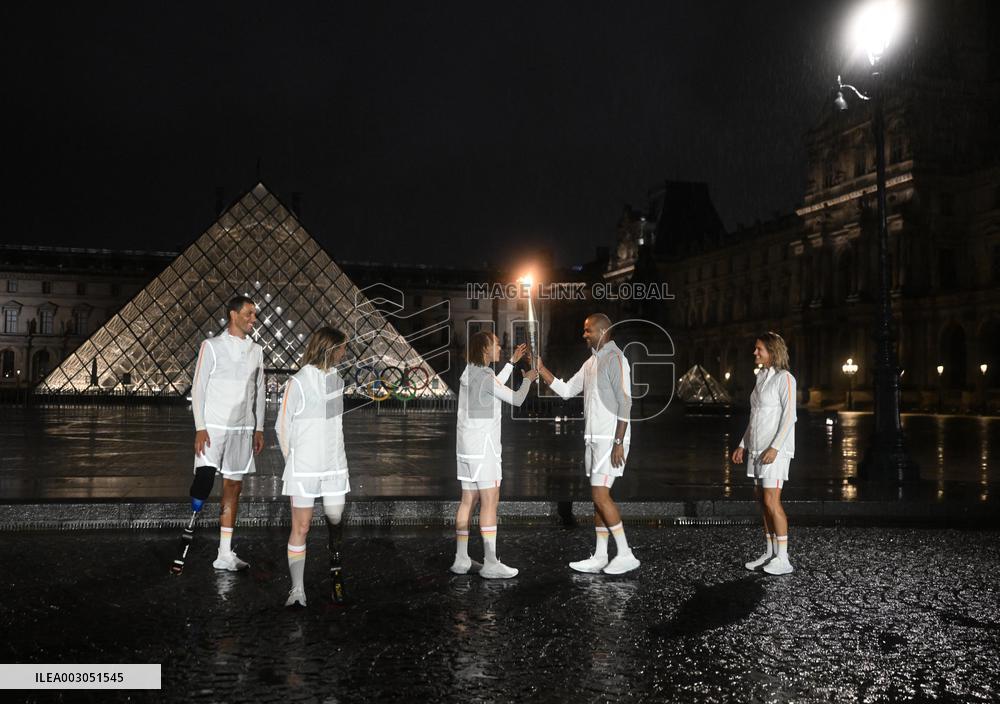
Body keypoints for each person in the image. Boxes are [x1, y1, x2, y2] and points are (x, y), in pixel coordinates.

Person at [537, 313, 639, 575]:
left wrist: (619, 442)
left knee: (600, 495)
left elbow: (625, 402)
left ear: (603, 331)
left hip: (609, 441)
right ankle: (601, 555)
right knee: (598, 499)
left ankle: (626, 554)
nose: (584, 335)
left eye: (588, 331)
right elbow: (568, 390)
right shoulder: (591, 362)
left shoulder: (616, 358)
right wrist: (542, 370)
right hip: (593, 439)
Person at [276, 327, 352, 607]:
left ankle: (335, 564)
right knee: (302, 525)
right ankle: (297, 590)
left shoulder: (337, 381)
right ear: (329, 348)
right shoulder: (297, 381)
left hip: (334, 466)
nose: (345, 353)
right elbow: (282, 427)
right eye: (342, 347)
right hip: (304, 467)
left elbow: (336, 426)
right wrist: (293, 462)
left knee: (334, 516)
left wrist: (340, 461)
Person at [451, 333, 537, 579]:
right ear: (486, 348)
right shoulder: (486, 376)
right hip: (484, 450)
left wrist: (510, 362)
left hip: (466, 449)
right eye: (497, 343)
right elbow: (517, 399)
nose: (500, 346)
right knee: (490, 502)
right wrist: (528, 379)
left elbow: (492, 387)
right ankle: (490, 562)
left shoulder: (470, 372)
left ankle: (461, 559)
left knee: (467, 501)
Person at [190, 295, 266, 572]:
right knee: (205, 481)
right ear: (233, 314)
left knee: (234, 487)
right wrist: (200, 427)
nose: (253, 319)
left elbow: (258, 391)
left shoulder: (257, 350)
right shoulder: (211, 346)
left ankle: (224, 553)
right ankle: (195, 527)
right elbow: (198, 388)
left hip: (243, 429)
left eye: (254, 314)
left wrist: (258, 427)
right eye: (249, 313)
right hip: (214, 428)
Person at [731, 332, 797, 576]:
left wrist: (775, 448)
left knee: (772, 500)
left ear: (773, 351)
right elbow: (755, 417)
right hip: (758, 448)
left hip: (774, 451)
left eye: (759, 349)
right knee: (762, 502)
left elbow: (790, 416)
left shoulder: (785, 378)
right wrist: (742, 444)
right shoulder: (761, 378)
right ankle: (770, 552)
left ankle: (783, 557)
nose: (755, 353)